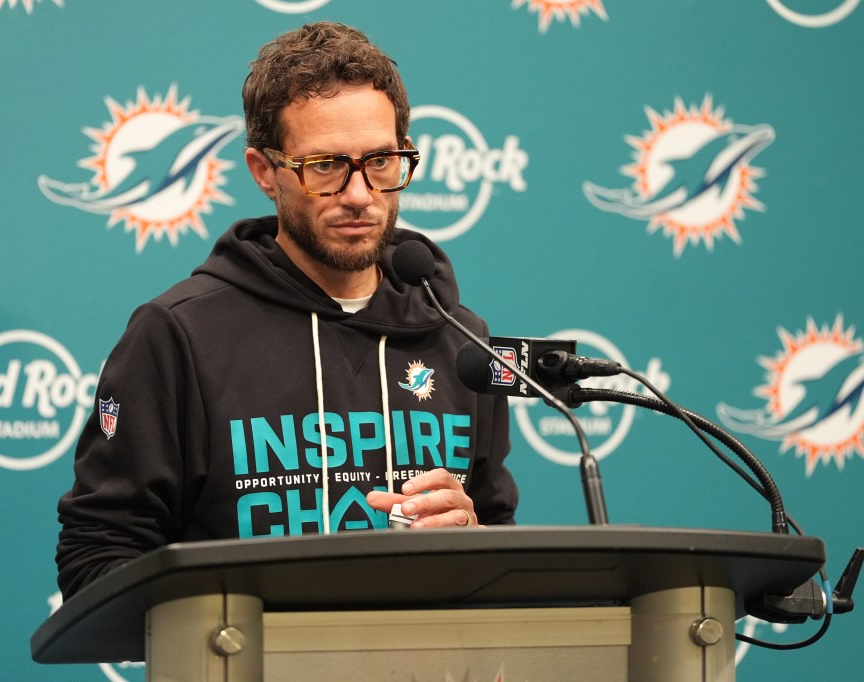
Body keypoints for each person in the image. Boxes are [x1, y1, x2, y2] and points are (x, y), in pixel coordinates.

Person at [55, 21, 518, 600]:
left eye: (380, 161)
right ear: (264, 172)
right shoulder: (179, 335)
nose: (358, 193)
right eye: (325, 165)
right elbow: (96, 556)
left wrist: (473, 540)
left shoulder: (460, 339)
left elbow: (500, 543)